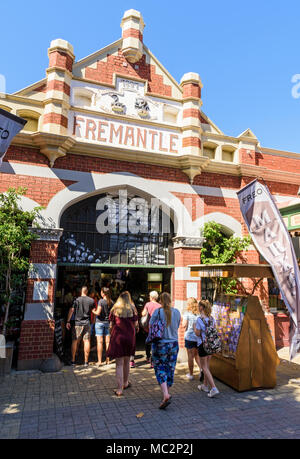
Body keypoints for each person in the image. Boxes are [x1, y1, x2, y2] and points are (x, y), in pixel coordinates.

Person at [149, 292, 181, 410]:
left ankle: (166, 394)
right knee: (170, 367)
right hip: (174, 344)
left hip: (160, 344)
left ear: (160, 301)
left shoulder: (157, 312)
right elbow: (177, 326)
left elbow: (151, 325)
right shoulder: (177, 312)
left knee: (160, 367)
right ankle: (166, 393)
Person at [107, 291, 139, 396]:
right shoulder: (133, 309)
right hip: (129, 338)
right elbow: (136, 325)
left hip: (118, 338)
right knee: (127, 362)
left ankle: (119, 389)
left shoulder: (115, 309)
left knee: (119, 364)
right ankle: (125, 383)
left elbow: (111, 325)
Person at [194, 299, 220, 398]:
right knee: (207, 366)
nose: (198, 307)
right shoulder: (212, 319)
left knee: (203, 367)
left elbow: (197, 333)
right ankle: (205, 385)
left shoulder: (199, 319)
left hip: (202, 345)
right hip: (211, 344)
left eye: (199, 306)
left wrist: (194, 327)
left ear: (202, 307)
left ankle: (213, 388)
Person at [66, 286, 95, 367]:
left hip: (77, 323)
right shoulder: (91, 300)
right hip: (87, 323)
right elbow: (93, 312)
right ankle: (86, 362)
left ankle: (73, 361)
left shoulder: (76, 300)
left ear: (81, 291)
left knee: (74, 341)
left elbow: (71, 310)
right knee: (86, 341)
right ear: (87, 292)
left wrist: (68, 321)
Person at [92, 287, 114, 366]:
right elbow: (113, 314)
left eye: (101, 292)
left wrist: (93, 311)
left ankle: (100, 361)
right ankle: (108, 360)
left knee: (99, 342)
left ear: (103, 293)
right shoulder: (111, 302)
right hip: (108, 323)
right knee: (107, 342)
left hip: (100, 323)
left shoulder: (101, 301)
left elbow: (98, 312)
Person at [182, 297, 203, 381]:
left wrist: (182, 320)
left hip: (189, 337)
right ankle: (201, 370)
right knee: (197, 355)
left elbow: (184, 325)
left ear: (189, 304)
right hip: (197, 338)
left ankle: (191, 374)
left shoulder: (187, 313)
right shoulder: (199, 314)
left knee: (190, 356)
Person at [141, 291, 160, 367]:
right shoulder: (159, 306)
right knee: (155, 343)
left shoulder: (147, 304)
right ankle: (153, 360)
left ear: (151, 297)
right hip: (156, 327)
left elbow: (143, 313)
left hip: (148, 327)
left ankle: (148, 357)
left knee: (148, 342)